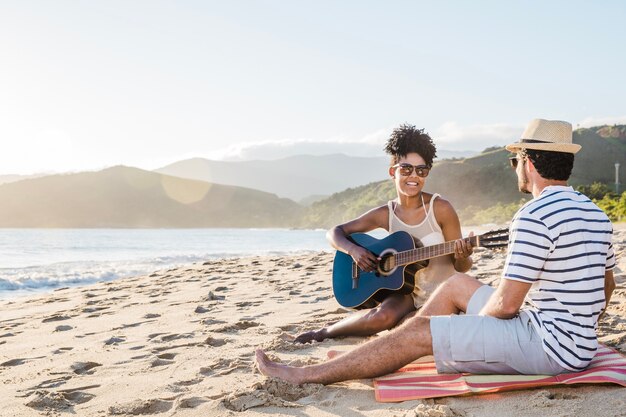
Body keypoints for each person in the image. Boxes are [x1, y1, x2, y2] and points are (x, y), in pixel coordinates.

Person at [256, 118, 616, 384]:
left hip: (548, 348)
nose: (516, 169)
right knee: (456, 287)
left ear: (530, 162)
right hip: (571, 342)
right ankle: (394, 343)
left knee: (423, 330)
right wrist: (576, 325)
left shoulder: (534, 215)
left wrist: (470, 331)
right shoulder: (596, 213)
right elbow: (607, 289)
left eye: (515, 161)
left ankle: (305, 375)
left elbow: (506, 307)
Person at [294, 124, 474, 344]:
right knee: (383, 316)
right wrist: (354, 250)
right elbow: (335, 232)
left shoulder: (441, 208)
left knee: (413, 328)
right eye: (406, 168)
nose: (414, 176)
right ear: (393, 172)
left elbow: (462, 266)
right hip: (406, 293)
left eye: (421, 170)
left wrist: (464, 254)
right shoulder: (386, 213)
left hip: (441, 293)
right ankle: (323, 333)